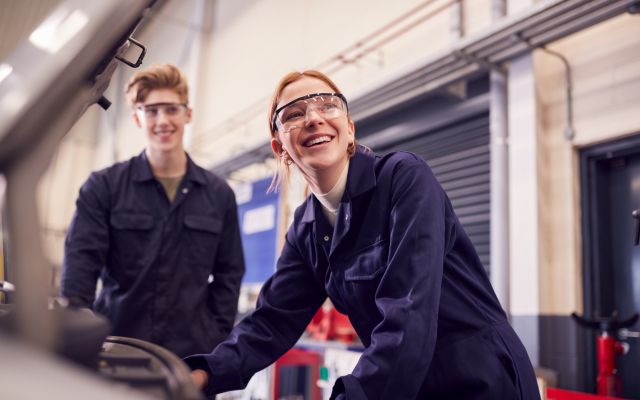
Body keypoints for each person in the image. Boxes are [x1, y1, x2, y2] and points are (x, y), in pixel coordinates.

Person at [185, 70, 540, 399]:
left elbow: (409, 311)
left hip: (479, 376)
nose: (313, 117)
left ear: (349, 129)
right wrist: (200, 375)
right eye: (293, 114)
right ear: (281, 148)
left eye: (327, 105)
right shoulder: (306, 228)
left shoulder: (404, 178)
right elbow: (272, 321)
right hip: (405, 385)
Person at [60, 63, 245, 358]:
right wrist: (80, 334)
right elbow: (80, 266)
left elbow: (230, 274)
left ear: (188, 114)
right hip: (114, 351)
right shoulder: (104, 187)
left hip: (190, 358)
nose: (162, 120)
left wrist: (215, 335)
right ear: (137, 118)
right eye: (151, 110)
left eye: (171, 109)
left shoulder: (218, 194)